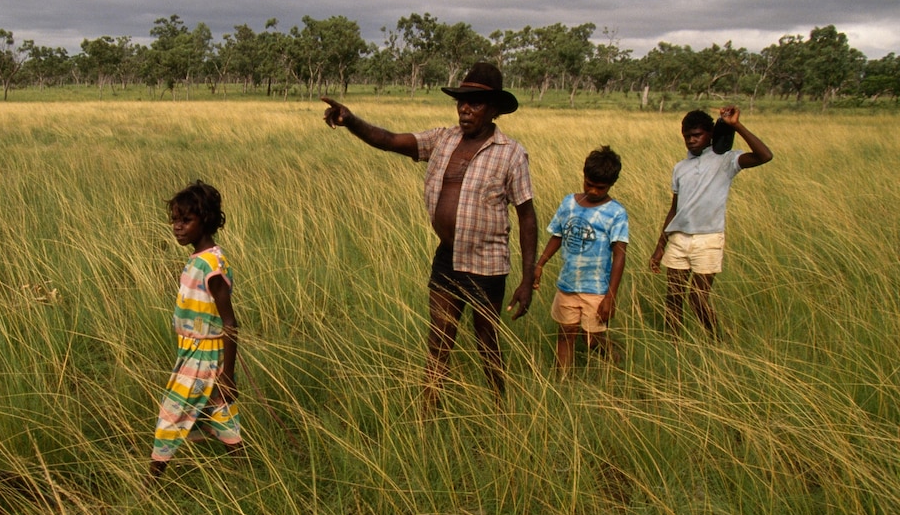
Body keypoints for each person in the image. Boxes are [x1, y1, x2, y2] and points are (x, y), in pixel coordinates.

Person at [322, 61, 538, 409]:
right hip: (447, 257)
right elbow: (390, 140)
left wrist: (528, 279)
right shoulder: (444, 139)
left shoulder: (511, 153)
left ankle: (502, 408)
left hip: (486, 263)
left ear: (495, 108)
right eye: (461, 101)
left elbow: (527, 216)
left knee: (486, 341)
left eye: (475, 103)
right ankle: (428, 411)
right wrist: (351, 121)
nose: (465, 109)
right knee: (439, 339)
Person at [649, 106, 773, 337]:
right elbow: (674, 209)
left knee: (697, 298)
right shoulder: (680, 168)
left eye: (697, 135)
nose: (691, 140)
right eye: (687, 136)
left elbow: (764, 156)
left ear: (711, 135)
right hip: (678, 238)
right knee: (674, 297)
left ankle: (716, 340)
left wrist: (735, 125)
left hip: (708, 239)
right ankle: (672, 345)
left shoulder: (725, 161)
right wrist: (659, 248)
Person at [150, 180, 243, 480]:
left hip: (204, 355)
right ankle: (247, 474)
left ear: (206, 220)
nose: (177, 227)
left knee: (170, 416)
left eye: (186, 220)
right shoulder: (199, 260)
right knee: (220, 413)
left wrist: (228, 375)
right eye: (175, 220)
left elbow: (229, 322)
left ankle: (150, 485)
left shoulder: (211, 265)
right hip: (194, 350)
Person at [532, 146, 628, 374]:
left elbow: (620, 254)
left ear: (612, 183)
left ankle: (617, 359)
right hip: (567, 284)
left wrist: (610, 297)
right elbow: (557, 235)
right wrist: (540, 264)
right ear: (583, 175)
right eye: (589, 184)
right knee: (565, 335)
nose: (593, 191)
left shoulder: (616, 213)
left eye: (600, 187)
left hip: (596, 289)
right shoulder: (569, 203)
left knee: (592, 339)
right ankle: (563, 381)